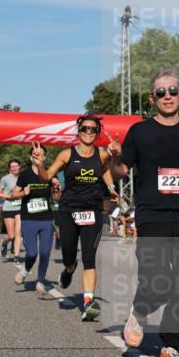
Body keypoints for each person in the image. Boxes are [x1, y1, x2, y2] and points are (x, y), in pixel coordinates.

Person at [108, 70, 179, 357]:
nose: (167, 96)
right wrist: (116, 157)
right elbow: (120, 172)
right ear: (152, 98)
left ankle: (171, 344)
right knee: (159, 282)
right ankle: (139, 311)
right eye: (160, 92)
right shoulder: (139, 132)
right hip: (152, 217)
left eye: (172, 91)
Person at [32, 114, 118, 321]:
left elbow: (105, 170)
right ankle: (69, 269)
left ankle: (88, 304)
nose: (88, 132)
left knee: (89, 257)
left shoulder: (103, 154)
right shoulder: (66, 154)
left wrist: (111, 187)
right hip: (69, 211)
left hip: (93, 211)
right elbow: (45, 177)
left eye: (92, 129)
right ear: (78, 131)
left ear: (97, 133)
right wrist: (41, 164)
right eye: (84, 129)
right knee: (69, 255)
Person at [14, 147, 56, 295]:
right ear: (31, 158)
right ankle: (25, 270)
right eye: (34, 155)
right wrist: (22, 193)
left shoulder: (50, 174)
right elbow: (14, 192)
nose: (37, 157)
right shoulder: (25, 175)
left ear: (44, 158)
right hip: (29, 219)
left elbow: (56, 198)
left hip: (46, 218)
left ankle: (40, 281)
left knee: (45, 252)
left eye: (40, 155)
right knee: (32, 252)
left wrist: (57, 189)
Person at [0, 159, 23, 260]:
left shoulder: (23, 177)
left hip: (20, 207)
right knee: (11, 235)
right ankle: (4, 243)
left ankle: (16, 256)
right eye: (12, 166)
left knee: (18, 233)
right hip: (8, 208)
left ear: (19, 166)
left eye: (16, 166)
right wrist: (9, 196)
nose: (14, 168)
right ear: (9, 168)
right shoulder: (5, 179)